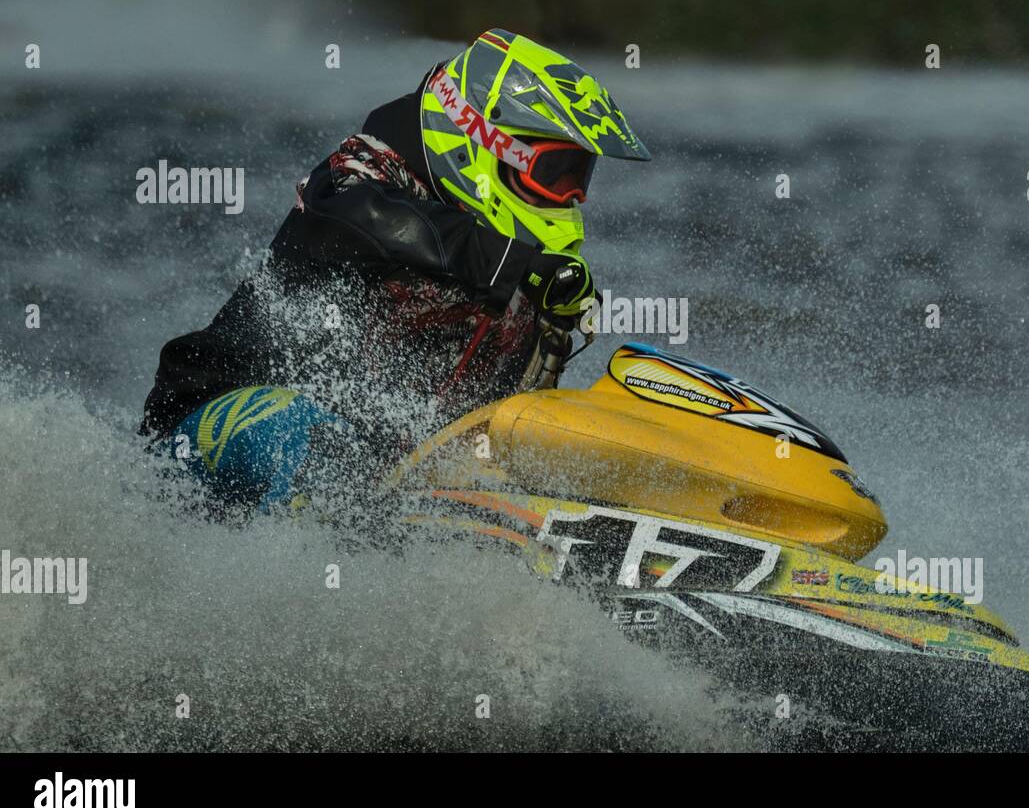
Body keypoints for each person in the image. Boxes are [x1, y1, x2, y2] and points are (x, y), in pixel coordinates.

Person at [140, 29, 650, 510]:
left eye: (580, 178)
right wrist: (513, 266)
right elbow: (362, 214)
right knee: (309, 433)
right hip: (205, 434)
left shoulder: (530, 283)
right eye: (556, 174)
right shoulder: (362, 173)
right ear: (479, 141)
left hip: (370, 486)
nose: (571, 197)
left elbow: (493, 438)